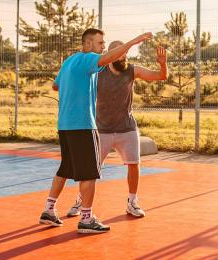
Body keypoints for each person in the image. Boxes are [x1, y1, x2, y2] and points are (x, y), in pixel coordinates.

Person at [38, 29, 152, 234]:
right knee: (89, 173)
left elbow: (56, 86)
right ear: (89, 44)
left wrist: (75, 89)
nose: (102, 48)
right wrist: (133, 41)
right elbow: (109, 57)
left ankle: (48, 210)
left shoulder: (70, 61)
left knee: (65, 168)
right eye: (100, 44)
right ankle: (86, 218)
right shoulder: (88, 58)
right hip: (82, 125)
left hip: (64, 125)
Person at [66, 41, 168, 218]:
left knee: (134, 164)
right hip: (101, 129)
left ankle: (132, 202)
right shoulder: (98, 72)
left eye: (126, 52)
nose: (124, 56)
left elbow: (161, 76)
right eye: (120, 52)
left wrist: (162, 63)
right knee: (91, 169)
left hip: (126, 128)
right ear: (111, 54)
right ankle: (81, 200)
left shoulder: (132, 70)